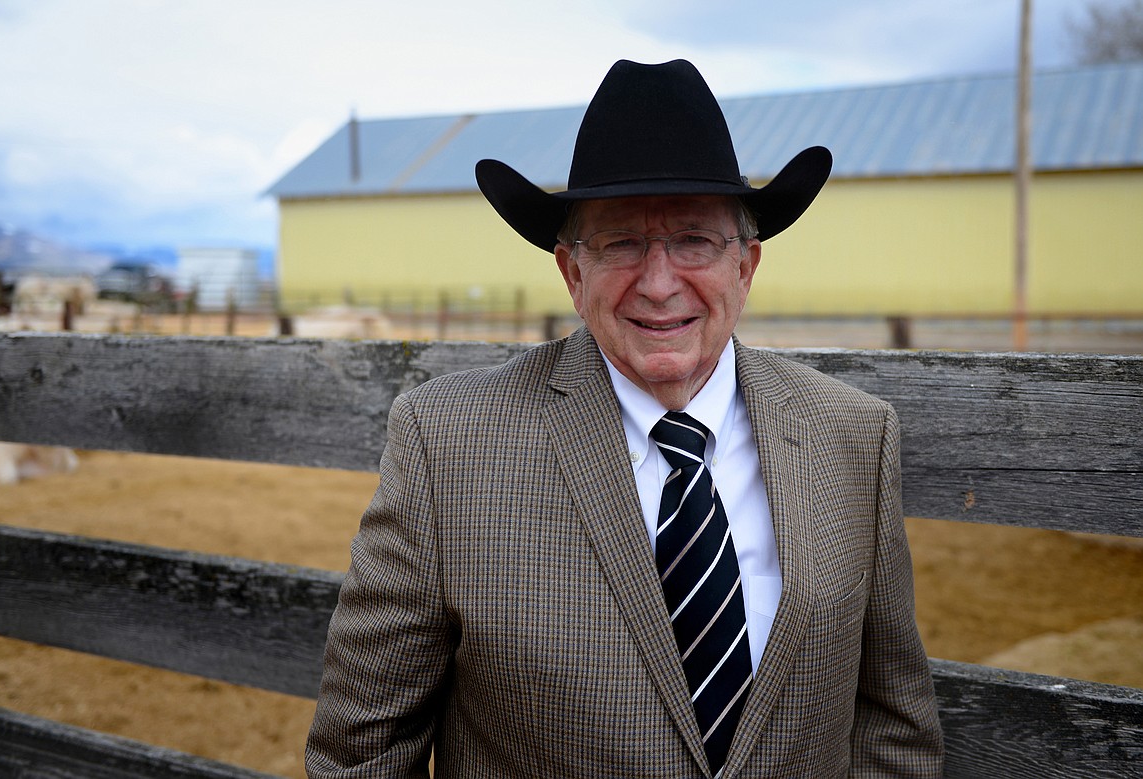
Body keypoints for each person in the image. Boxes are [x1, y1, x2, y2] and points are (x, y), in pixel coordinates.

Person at [306, 59, 944, 778]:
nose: (661, 281)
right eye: (620, 243)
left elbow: (893, 725)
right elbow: (362, 753)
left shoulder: (854, 436)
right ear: (573, 274)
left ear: (747, 265)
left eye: (696, 239)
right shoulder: (447, 442)